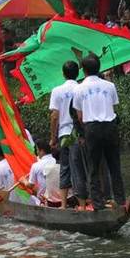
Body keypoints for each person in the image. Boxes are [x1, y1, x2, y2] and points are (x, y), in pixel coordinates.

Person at [72, 55, 125, 211]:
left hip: (92, 128)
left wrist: (87, 131)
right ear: (98, 68)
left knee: (93, 168)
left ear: (84, 70)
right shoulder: (110, 86)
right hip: (110, 126)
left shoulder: (79, 88)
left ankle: (98, 204)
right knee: (114, 165)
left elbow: (80, 117)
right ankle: (121, 201)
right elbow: (113, 108)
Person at [49, 61, 80, 208]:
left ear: (63, 74)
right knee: (80, 167)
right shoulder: (81, 88)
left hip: (63, 134)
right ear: (77, 73)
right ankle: (83, 203)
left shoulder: (57, 90)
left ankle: (63, 205)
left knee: (65, 167)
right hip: (79, 134)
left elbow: (55, 115)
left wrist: (53, 137)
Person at [21, 139, 56, 205]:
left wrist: (24, 181)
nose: (36, 152)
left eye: (37, 150)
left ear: (42, 151)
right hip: (61, 197)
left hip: (46, 200)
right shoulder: (55, 160)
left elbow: (30, 185)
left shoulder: (36, 166)